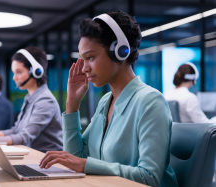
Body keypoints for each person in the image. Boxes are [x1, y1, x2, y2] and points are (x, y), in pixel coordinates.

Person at [39, 11, 178, 187]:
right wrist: (72, 104)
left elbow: (149, 178)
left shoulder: (151, 102)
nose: (85, 68)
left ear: (119, 52)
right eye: (82, 59)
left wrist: (85, 165)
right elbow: (78, 158)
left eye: (90, 57)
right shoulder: (106, 101)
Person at [0, 47, 63, 152]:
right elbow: (16, 130)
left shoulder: (45, 101)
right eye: (14, 72)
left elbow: (23, 138)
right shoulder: (30, 98)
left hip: (46, 161)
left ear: (36, 71)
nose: (14, 78)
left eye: (19, 72)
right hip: (32, 157)